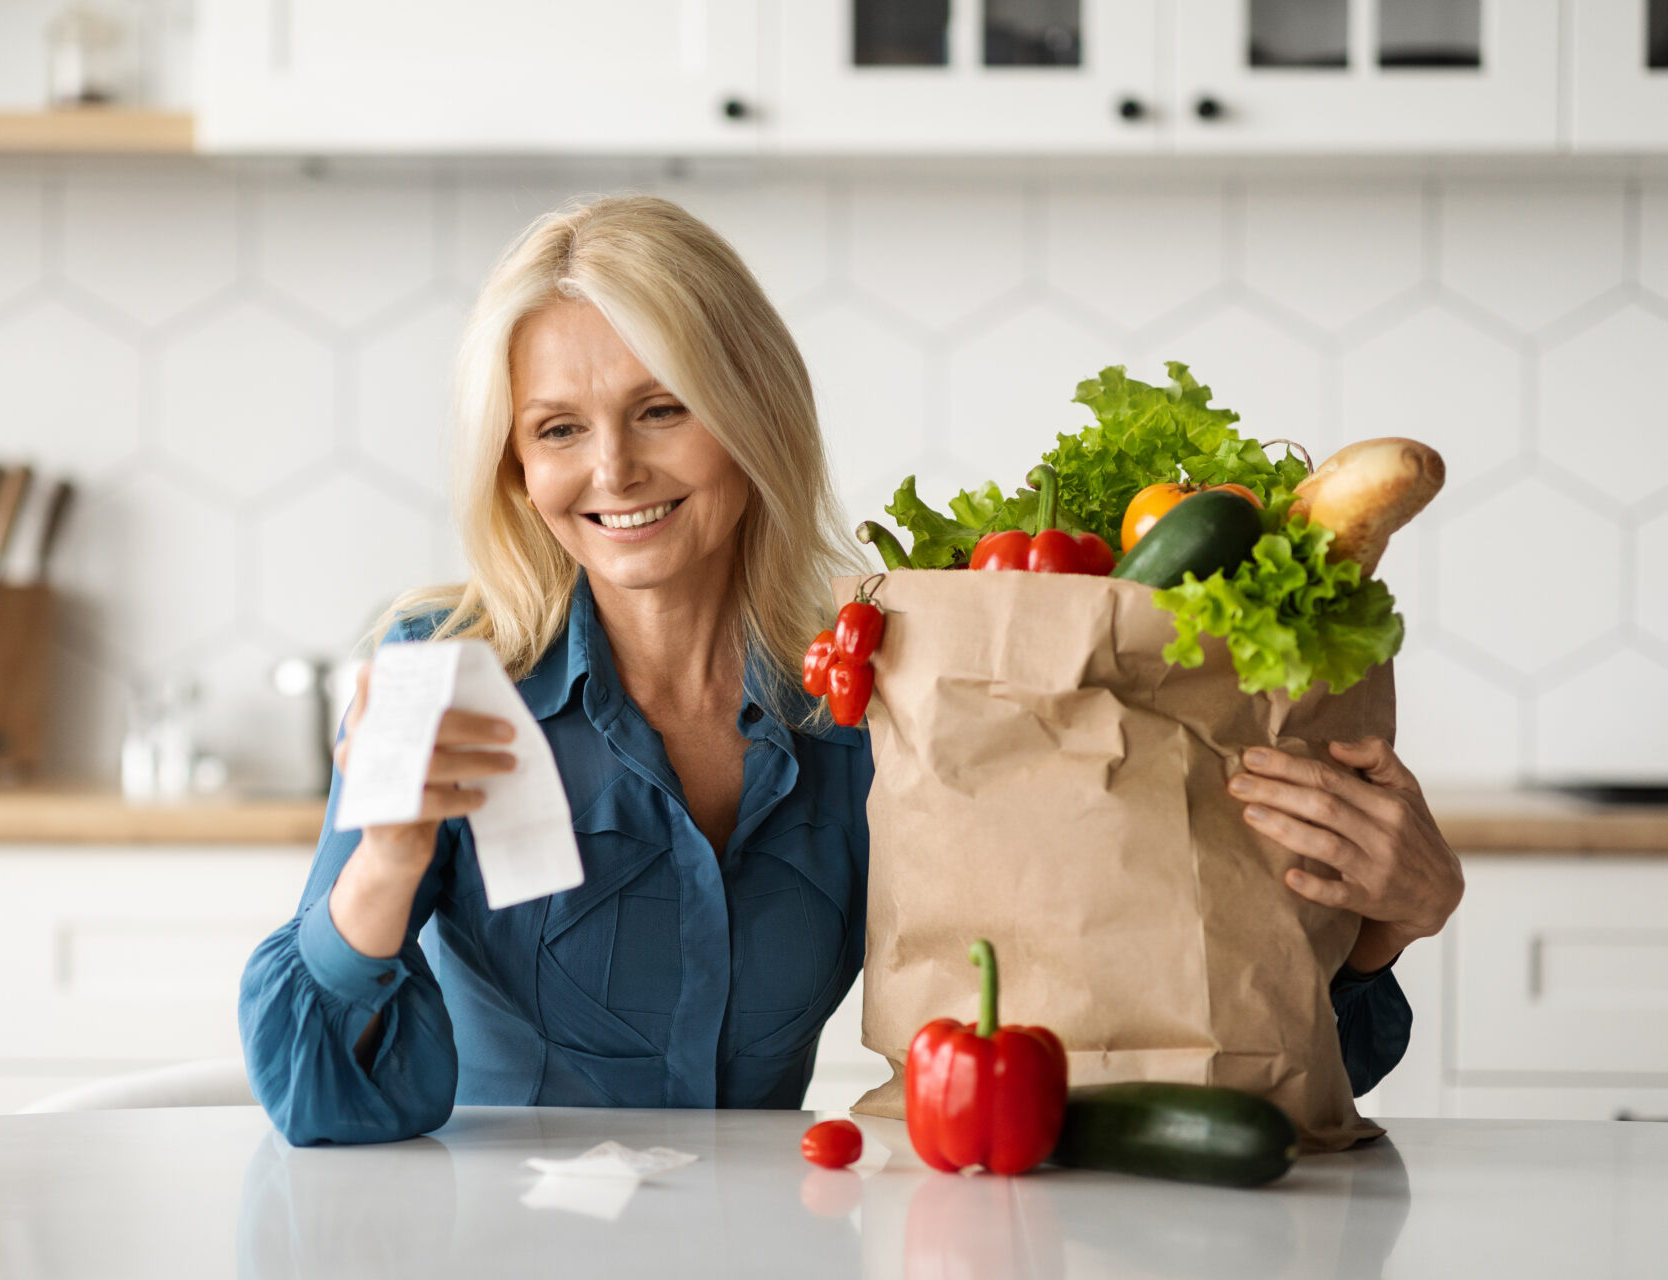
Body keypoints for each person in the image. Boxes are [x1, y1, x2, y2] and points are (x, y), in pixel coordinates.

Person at [238, 196, 1465, 1146]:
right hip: (502, 1242)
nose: (611, 468)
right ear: (515, 468)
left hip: (777, 1234)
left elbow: (1141, 1032)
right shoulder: (448, 680)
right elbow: (315, 1101)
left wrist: (1376, 938)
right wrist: (388, 857)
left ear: (749, 412)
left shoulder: (888, 684)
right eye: (558, 428)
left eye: (662, 408)